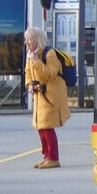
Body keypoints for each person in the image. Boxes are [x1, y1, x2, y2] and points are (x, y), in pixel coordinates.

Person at [24, 27, 70, 169]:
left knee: (47, 127)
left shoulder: (49, 54)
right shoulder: (31, 54)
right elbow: (28, 72)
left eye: (29, 40)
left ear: (37, 40)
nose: (27, 43)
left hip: (50, 96)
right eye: (26, 41)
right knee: (41, 127)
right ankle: (46, 156)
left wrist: (36, 61)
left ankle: (53, 157)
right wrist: (29, 85)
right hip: (39, 96)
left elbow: (50, 74)